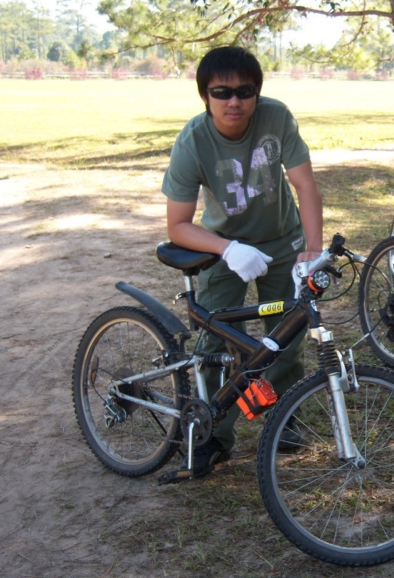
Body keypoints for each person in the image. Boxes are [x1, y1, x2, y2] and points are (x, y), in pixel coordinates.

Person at [162, 46, 323, 477]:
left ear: (257, 94)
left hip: (283, 241)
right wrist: (228, 250)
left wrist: (312, 250)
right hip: (223, 246)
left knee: (286, 336)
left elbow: (305, 186)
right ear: (205, 96)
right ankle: (213, 435)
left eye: (244, 91)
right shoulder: (193, 142)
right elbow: (177, 225)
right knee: (215, 343)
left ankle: (284, 417)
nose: (234, 101)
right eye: (222, 92)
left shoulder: (276, 117)